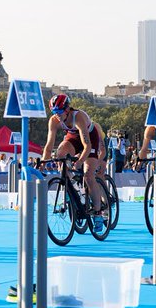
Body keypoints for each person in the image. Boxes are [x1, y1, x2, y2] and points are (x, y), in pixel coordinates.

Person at [42, 93, 108, 234]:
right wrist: (42, 163)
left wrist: (79, 162)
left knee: (88, 175)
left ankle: (98, 213)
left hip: (89, 139)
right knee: (60, 154)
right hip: (72, 138)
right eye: (54, 112)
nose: (57, 115)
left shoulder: (78, 117)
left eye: (60, 112)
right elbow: (49, 146)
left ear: (67, 109)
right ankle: (69, 186)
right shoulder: (54, 120)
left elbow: (87, 146)